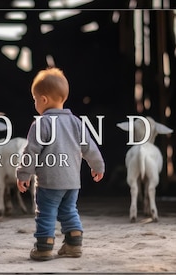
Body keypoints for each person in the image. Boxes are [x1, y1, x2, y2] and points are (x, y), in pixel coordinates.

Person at [16, 67, 105, 261]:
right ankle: (73, 245)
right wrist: (98, 166)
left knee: (46, 213)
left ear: (44, 100)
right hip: (72, 182)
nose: (34, 103)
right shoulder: (76, 122)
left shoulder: (41, 124)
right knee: (69, 210)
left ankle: (44, 248)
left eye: (35, 99)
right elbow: (90, 147)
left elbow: (31, 151)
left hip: (49, 182)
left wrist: (23, 174)